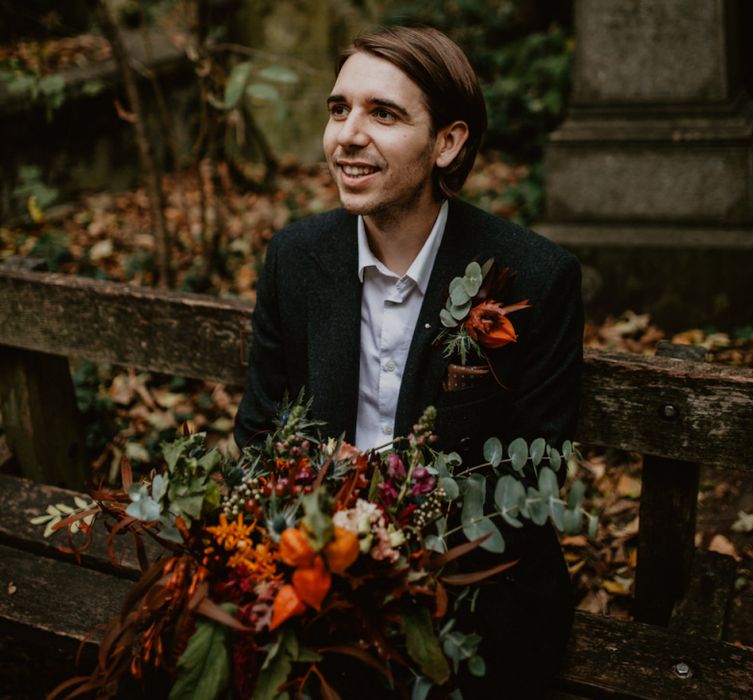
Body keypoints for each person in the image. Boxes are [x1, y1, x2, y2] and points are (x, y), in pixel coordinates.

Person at [235, 25, 583, 696]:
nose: (347, 135)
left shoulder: (532, 279)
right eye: (340, 109)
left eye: (383, 113)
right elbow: (259, 434)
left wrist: (392, 568)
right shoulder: (297, 260)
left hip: (474, 588)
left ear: (447, 143)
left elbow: (527, 495)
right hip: (312, 567)